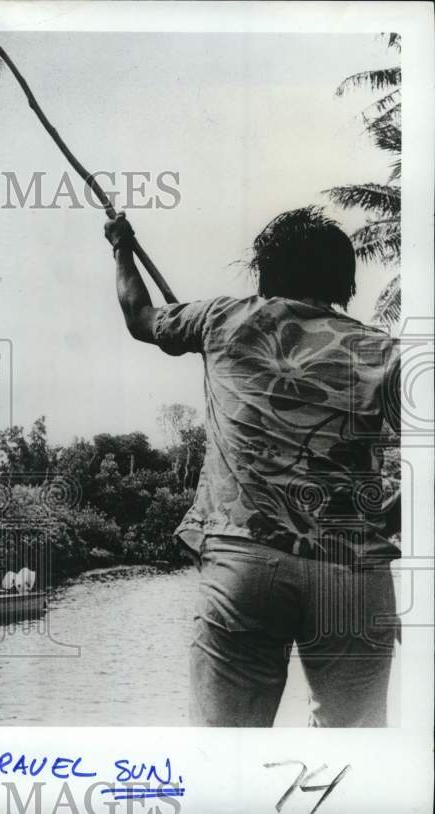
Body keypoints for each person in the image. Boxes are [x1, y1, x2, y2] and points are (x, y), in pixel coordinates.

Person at [105, 207, 401, 727]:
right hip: (352, 572)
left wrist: (121, 247)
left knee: (226, 751)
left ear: (266, 271)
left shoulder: (221, 319)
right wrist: (390, 515)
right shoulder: (384, 353)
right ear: (344, 279)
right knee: (355, 751)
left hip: (245, 565)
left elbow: (138, 315)